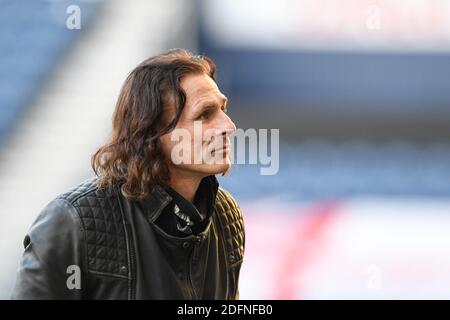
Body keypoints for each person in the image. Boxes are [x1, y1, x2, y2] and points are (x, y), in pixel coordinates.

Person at [11, 49, 245, 299]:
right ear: (152, 135)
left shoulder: (225, 215)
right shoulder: (72, 222)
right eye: (204, 115)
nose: (229, 126)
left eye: (223, 109)